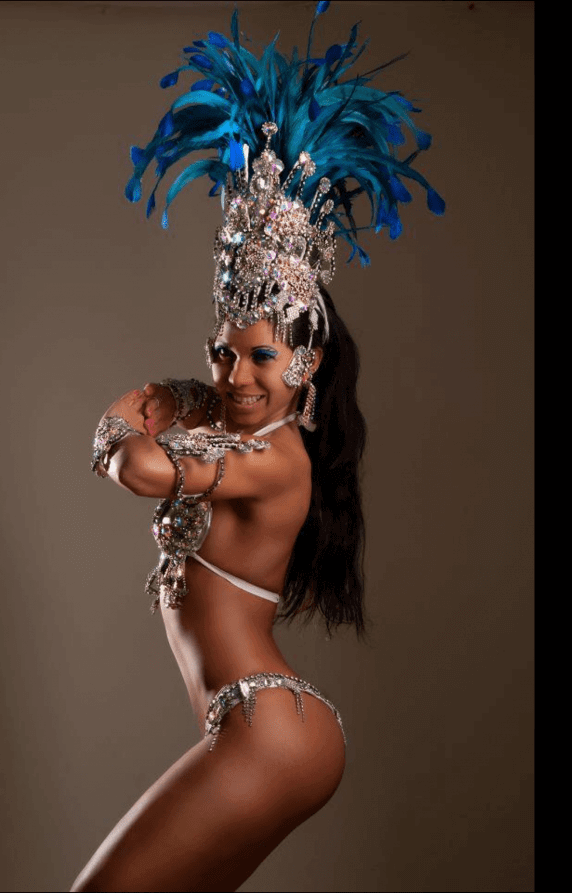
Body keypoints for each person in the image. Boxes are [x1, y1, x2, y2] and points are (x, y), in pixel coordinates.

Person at [72, 4, 443, 890]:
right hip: (251, 729)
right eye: (223, 353)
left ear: (305, 362)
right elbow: (163, 419)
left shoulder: (275, 459)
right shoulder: (236, 423)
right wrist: (175, 399)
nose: (238, 376)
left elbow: (141, 464)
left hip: (268, 728)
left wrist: (130, 416)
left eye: (263, 358)